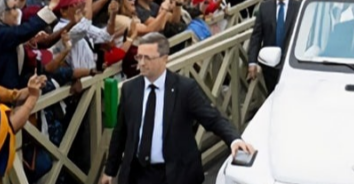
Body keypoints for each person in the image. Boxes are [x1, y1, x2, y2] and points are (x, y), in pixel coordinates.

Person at [102, 33, 254, 184]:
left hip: (174, 174)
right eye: (139, 57)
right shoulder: (130, 89)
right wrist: (110, 171)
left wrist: (234, 140)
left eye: (147, 58)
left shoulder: (185, 89)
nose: (141, 63)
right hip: (137, 175)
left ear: (164, 59)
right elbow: (120, 133)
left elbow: (213, 119)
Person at [248, 0, 300, 91]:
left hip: (290, 63)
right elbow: (256, 36)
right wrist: (252, 61)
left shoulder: (298, 7)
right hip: (269, 64)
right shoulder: (265, 7)